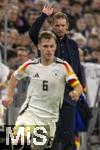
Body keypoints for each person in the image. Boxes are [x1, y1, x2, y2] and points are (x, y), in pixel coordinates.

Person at [1, 31, 83, 150]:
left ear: (55, 47)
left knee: (38, 148)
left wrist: (76, 92)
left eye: (51, 46)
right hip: (30, 112)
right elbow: (15, 76)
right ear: (39, 46)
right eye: (45, 46)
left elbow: (78, 86)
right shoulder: (30, 65)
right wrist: (9, 96)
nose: (49, 49)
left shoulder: (63, 66)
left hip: (49, 117)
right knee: (17, 139)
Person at [29, 4, 84, 150]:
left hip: (68, 93)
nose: (60, 28)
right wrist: (43, 16)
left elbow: (77, 67)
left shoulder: (72, 44)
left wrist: (79, 89)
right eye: (57, 25)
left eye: (62, 25)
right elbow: (33, 33)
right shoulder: (46, 41)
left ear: (67, 27)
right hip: (47, 92)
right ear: (52, 26)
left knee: (68, 132)